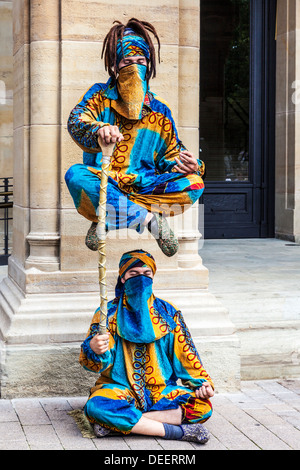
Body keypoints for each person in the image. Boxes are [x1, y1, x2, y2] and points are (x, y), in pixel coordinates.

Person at [65, 18, 205, 257]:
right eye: (127, 62)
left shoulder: (160, 110)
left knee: (194, 183)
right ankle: (149, 220)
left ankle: (108, 217)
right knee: (75, 175)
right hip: (105, 181)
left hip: (145, 186)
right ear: (115, 66)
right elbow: (77, 121)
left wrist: (194, 165)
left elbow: (171, 155)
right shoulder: (99, 96)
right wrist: (98, 129)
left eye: (140, 61)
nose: (134, 67)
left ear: (148, 65)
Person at [79, 250, 214, 444]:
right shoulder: (107, 314)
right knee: (96, 407)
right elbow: (94, 364)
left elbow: (187, 356)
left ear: (153, 277)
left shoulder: (169, 313)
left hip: (162, 393)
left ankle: (117, 425)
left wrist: (203, 385)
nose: (140, 279)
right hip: (119, 390)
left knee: (202, 406)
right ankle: (177, 432)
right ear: (123, 278)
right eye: (133, 274)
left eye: (146, 274)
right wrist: (94, 348)